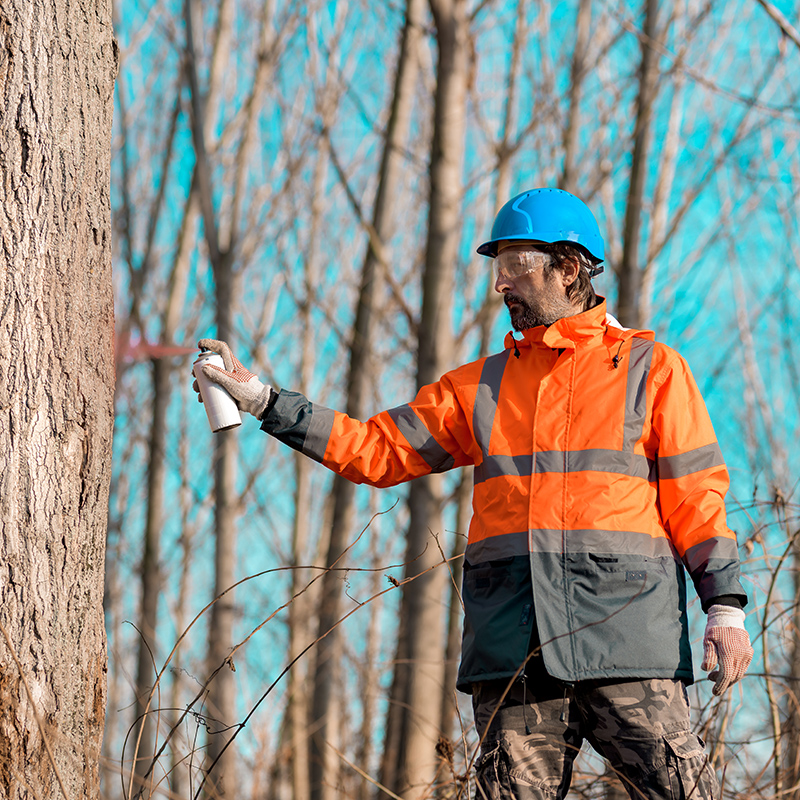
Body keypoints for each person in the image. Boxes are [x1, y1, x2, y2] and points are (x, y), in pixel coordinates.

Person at [193, 188, 753, 799]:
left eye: (515, 265)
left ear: (569, 269)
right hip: (514, 656)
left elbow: (696, 498)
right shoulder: (479, 386)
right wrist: (265, 400)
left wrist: (725, 608)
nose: (500, 284)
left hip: (629, 646)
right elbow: (375, 450)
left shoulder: (652, 370)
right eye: (497, 266)